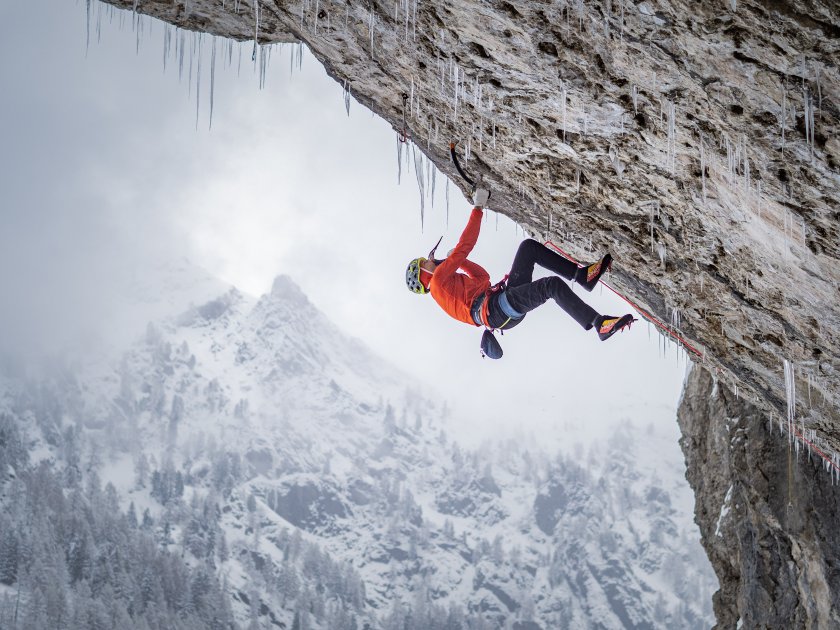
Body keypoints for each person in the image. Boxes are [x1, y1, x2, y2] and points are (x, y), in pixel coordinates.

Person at [405, 187, 635, 355]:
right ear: (422, 273)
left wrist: (457, 260)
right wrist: (477, 209)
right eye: (427, 260)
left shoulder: (446, 284)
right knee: (550, 286)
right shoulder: (437, 283)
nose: (431, 258)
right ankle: (598, 324)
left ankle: (582, 277)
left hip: (499, 304)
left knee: (528, 249)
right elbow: (466, 246)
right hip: (497, 309)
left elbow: (482, 278)